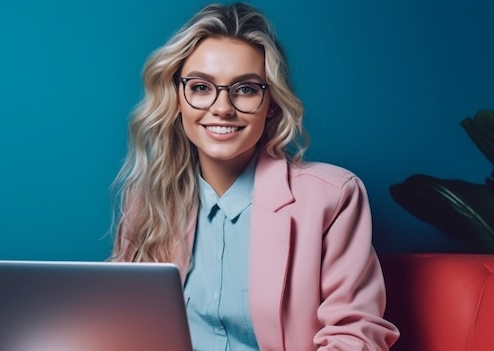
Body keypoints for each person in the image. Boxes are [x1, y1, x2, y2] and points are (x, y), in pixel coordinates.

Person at [110, 2, 400, 350]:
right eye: (201, 87)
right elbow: (122, 324)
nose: (222, 107)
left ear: (272, 103)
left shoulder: (334, 196)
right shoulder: (146, 198)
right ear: (177, 98)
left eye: (246, 89)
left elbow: (355, 334)